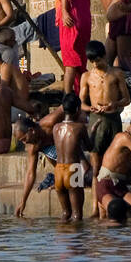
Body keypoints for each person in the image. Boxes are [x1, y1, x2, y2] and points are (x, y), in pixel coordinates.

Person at [81, 39, 130, 212]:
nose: (95, 64)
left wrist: (114, 105)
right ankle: (96, 207)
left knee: (112, 164)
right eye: (92, 61)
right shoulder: (86, 76)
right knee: (95, 167)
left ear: (104, 56)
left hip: (113, 119)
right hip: (95, 121)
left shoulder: (116, 74)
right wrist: (90, 108)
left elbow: (127, 99)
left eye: (98, 60)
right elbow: (81, 103)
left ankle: (112, 202)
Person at [52, 92, 90, 221]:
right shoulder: (79, 128)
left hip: (58, 170)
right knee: (77, 214)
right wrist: (94, 130)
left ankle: (62, 239)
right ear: (78, 109)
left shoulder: (56, 128)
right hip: (73, 169)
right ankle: (76, 241)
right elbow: (89, 147)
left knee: (65, 214)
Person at [55, 0, 92, 97]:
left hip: (83, 30)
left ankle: (80, 95)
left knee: (81, 64)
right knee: (71, 63)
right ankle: (67, 97)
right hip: (70, 28)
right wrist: (65, 12)